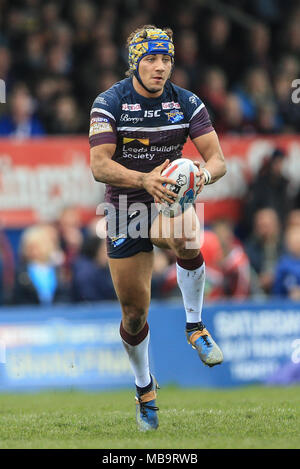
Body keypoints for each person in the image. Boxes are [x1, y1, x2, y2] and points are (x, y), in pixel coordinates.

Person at [89, 25, 226, 432]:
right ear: (135, 62)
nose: (160, 66)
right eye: (151, 58)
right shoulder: (110, 102)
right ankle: (144, 387)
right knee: (134, 315)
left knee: (188, 235)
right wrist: (143, 179)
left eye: (166, 59)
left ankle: (195, 325)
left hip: (169, 200)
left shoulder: (186, 102)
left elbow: (218, 160)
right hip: (125, 205)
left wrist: (201, 176)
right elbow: (99, 165)